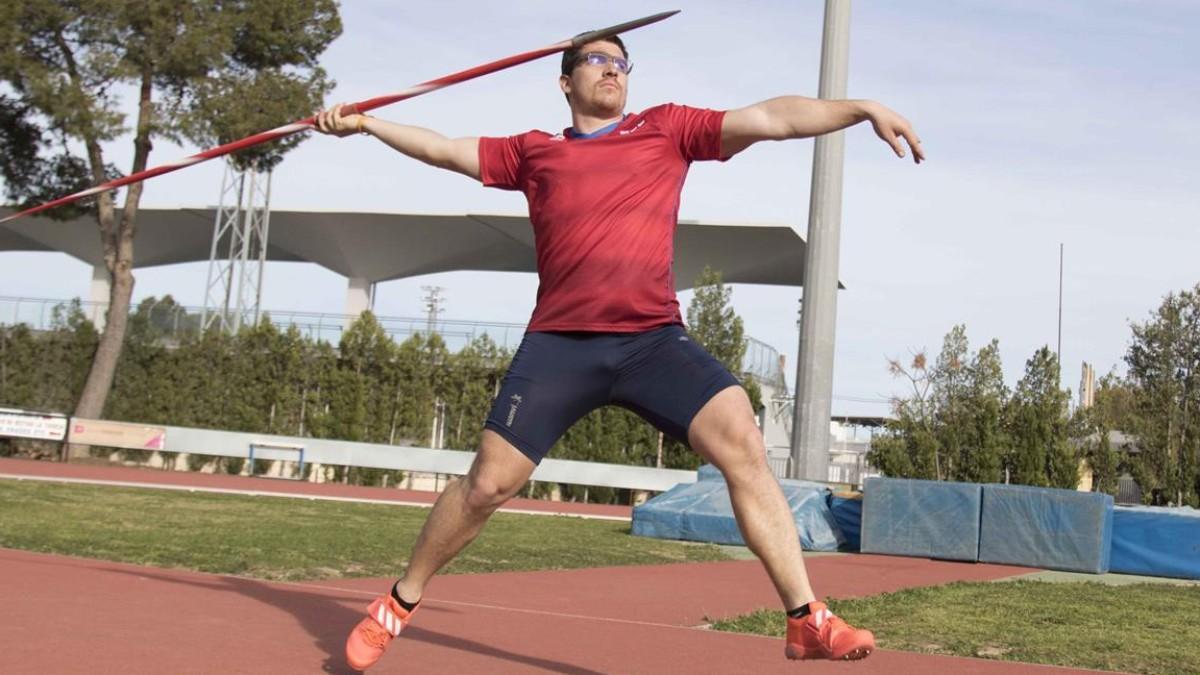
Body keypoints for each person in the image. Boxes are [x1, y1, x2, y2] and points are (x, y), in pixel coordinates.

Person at [315, 32, 923, 672]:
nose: (613, 70)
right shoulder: (533, 153)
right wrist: (366, 125)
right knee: (487, 485)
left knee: (740, 433)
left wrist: (858, 108)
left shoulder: (667, 130)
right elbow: (444, 150)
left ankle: (807, 621)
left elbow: (771, 118)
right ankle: (398, 602)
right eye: (597, 60)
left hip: (651, 341)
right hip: (560, 346)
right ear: (566, 82)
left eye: (622, 63)